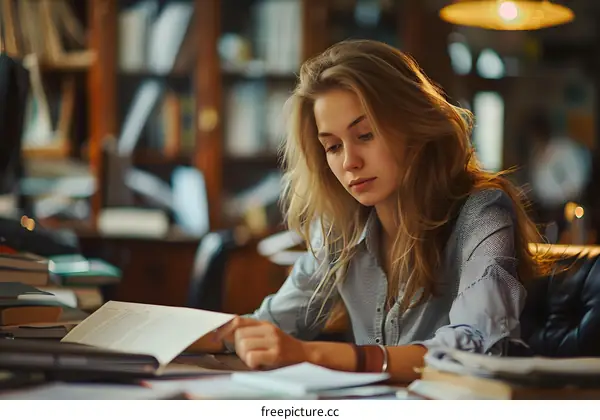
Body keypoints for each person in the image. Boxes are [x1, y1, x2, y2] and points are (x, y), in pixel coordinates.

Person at [195, 40, 556, 382]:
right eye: (333, 146)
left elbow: (480, 348)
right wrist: (161, 332)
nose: (349, 162)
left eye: (365, 135)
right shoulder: (340, 227)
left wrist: (317, 355)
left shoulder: (482, 211)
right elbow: (272, 324)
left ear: (413, 127)